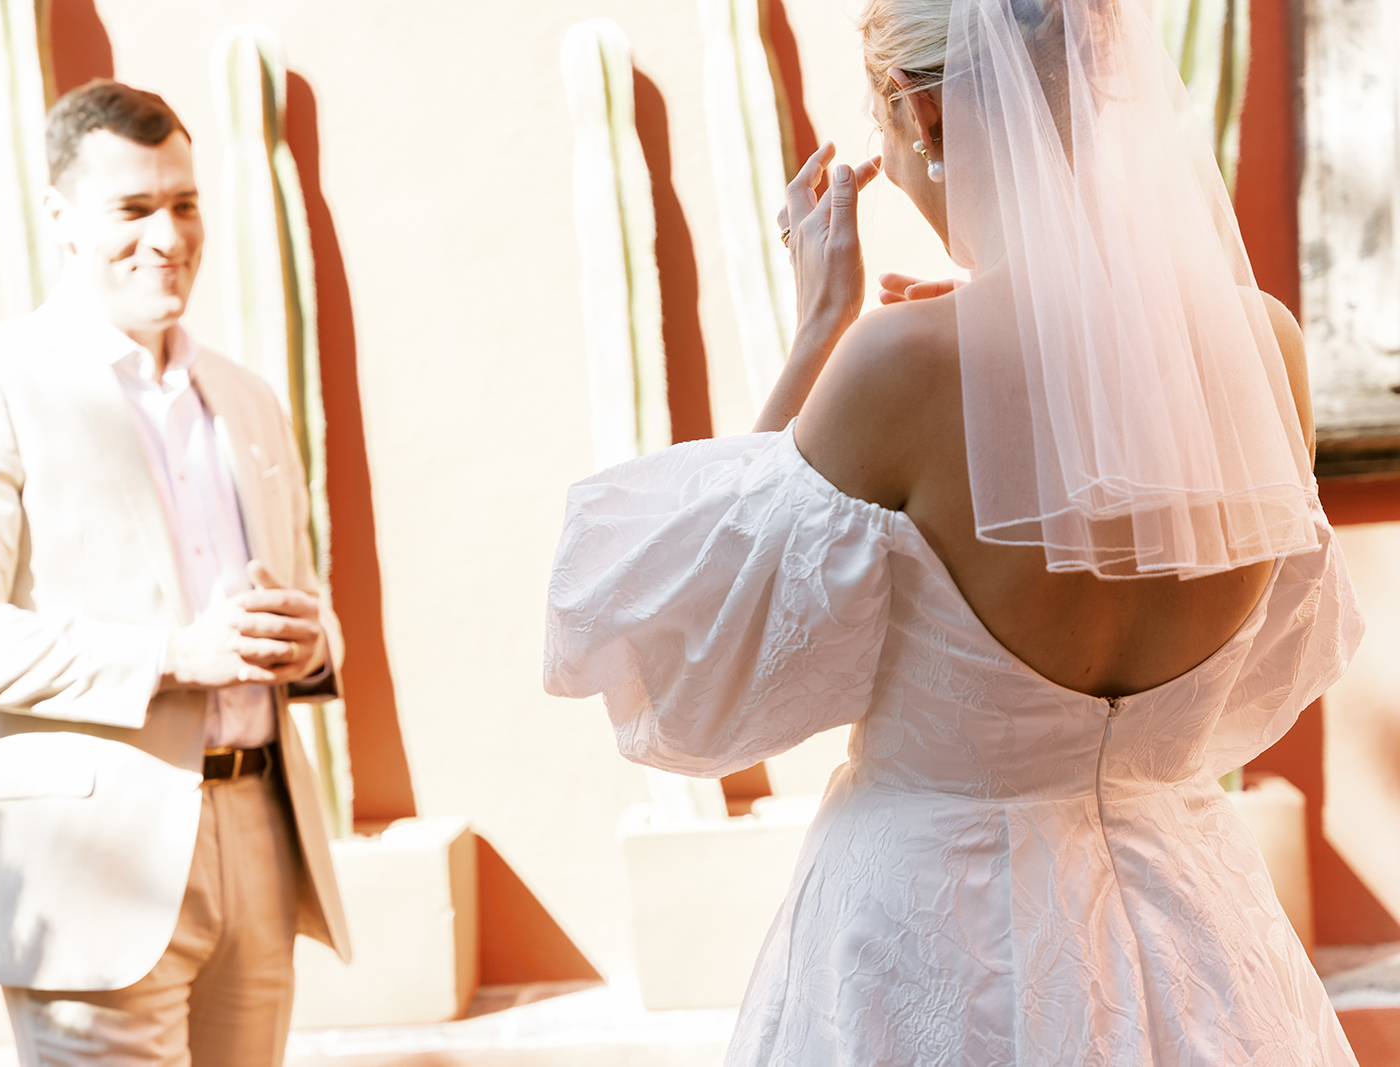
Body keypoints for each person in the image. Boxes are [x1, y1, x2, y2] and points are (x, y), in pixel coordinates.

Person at [545, 0, 1364, 1061]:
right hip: (1193, 942)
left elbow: (694, 664)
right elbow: (1264, 671)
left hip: (934, 940)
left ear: (919, 114)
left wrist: (816, 334)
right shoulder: (1267, 350)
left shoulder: (901, 366)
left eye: (882, 129)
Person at [0, 80, 348, 1065]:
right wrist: (174, 656)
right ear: (60, 216)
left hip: (263, 836)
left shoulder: (247, 396)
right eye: (132, 208)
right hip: (87, 869)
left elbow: (305, 599)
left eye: (184, 203)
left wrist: (310, 646)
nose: (167, 236)